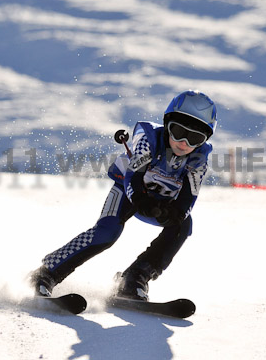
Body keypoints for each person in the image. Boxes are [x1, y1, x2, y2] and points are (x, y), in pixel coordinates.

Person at [30, 90, 217, 301]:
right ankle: (45, 273)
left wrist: (176, 213)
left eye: (195, 138)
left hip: (161, 201)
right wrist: (139, 198)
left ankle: (135, 278)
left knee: (183, 225)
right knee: (106, 233)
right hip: (128, 193)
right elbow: (132, 177)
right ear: (167, 124)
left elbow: (189, 196)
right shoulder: (149, 138)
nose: (183, 142)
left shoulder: (199, 158)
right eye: (178, 131)